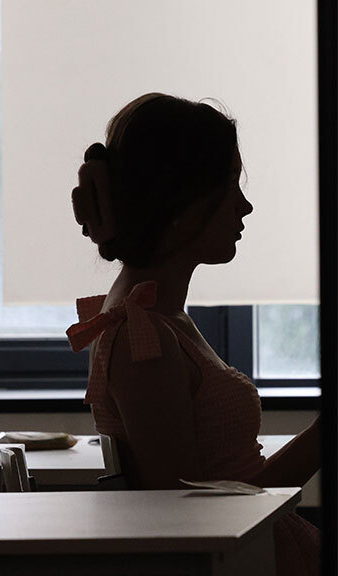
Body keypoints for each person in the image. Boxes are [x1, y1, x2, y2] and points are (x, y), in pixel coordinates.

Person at [66, 93, 320, 576]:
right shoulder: (143, 337)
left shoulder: (154, 315)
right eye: (230, 185)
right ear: (183, 201)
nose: (245, 205)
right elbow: (189, 521)